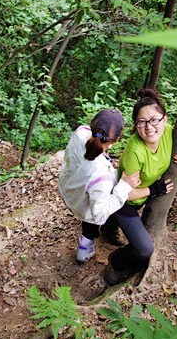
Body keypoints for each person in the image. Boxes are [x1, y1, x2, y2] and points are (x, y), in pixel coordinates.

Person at [103, 88, 177, 285]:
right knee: (145, 249)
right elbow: (126, 193)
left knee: (114, 222)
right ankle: (116, 261)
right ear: (136, 126)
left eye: (154, 120)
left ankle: (108, 227)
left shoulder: (170, 133)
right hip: (123, 200)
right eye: (142, 122)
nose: (149, 127)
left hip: (141, 197)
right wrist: (154, 190)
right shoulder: (135, 150)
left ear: (164, 119)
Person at [58, 108, 141, 263]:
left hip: (68, 189)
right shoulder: (102, 177)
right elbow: (100, 215)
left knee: (91, 201)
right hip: (83, 205)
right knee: (93, 208)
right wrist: (123, 187)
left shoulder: (80, 132)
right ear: (117, 139)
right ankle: (84, 249)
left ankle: (85, 246)